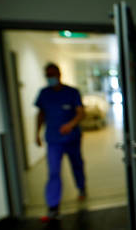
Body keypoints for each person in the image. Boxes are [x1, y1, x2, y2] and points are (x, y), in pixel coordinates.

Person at [35, 63, 86, 221]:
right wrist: (36, 134)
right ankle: (53, 206)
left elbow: (80, 113)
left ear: (59, 74)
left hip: (72, 139)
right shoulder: (44, 93)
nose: (50, 78)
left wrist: (70, 125)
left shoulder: (72, 92)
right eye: (48, 75)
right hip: (53, 140)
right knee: (54, 172)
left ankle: (81, 188)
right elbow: (41, 115)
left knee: (76, 164)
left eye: (52, 75)